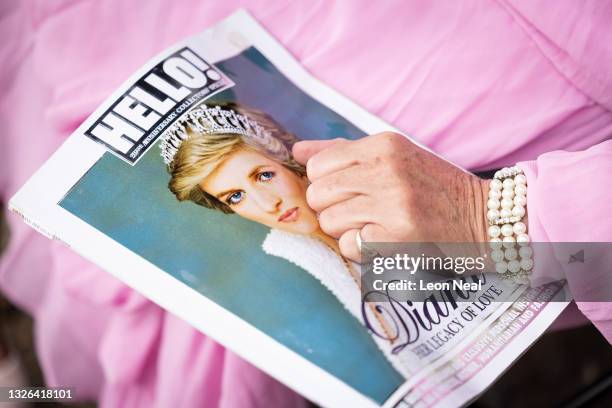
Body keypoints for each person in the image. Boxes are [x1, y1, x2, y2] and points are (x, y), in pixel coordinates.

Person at [2, 1, 611, 407]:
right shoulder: (273, 268)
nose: (263, 201)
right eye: (236, 196)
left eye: (262, 175)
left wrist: (502, 217)